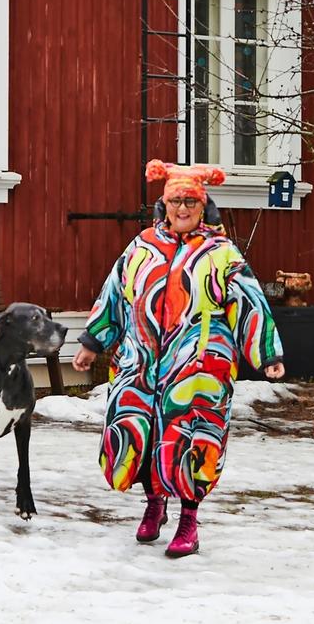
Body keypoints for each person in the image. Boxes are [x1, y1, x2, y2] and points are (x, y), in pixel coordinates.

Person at [69, 161, 283, 558]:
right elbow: (113, 295)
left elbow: (249, 301)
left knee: (193, 438)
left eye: (190, 201)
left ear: (204, 207)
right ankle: (154, 504)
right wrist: (92, 343)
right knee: (142, 433)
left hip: (198, 367)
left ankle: (189, 519)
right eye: (175, 201)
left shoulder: (220, 253)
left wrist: (266, 352)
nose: (182, 208)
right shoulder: (142, 246)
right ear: (163, 204)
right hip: (141, 362)